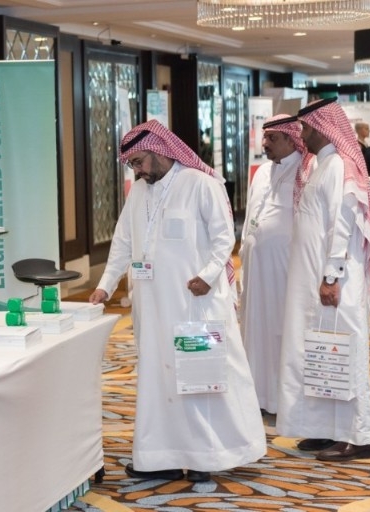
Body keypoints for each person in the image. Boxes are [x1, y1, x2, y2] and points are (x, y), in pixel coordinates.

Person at [89, 120, 266, 482]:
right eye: (132, 165)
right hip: (152, 307)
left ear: (158, 151)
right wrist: (106, 285)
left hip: (195, 303)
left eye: (139, 162)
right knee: (158, 379)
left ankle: (205, 457)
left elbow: (223, 238)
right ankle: (160, 457)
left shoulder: (201, 184)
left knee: (200, 378)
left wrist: (209, 275)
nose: (137, 170)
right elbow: (123, 242)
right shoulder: (139, 193)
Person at [276, 97, 370, 462]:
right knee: (320, 355)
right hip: (314, 281)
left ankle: (359, 437)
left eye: (305, 128)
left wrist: (332, 275)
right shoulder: (322, 165)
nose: (301, 135)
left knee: (344, 355)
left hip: (335, 281)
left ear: (322, 127)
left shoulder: (338, 166)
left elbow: (342, 225)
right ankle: (325, 430)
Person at [239, 114, 305, 415]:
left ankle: (282, 401)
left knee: (281, 331)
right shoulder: (262, 172)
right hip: (256, 271)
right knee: (254, 331)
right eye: (264, 137)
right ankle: (257, 396)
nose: (264, 143)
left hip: (285, 272)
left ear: (292, 139)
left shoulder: (305, 171)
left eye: (272, 138)